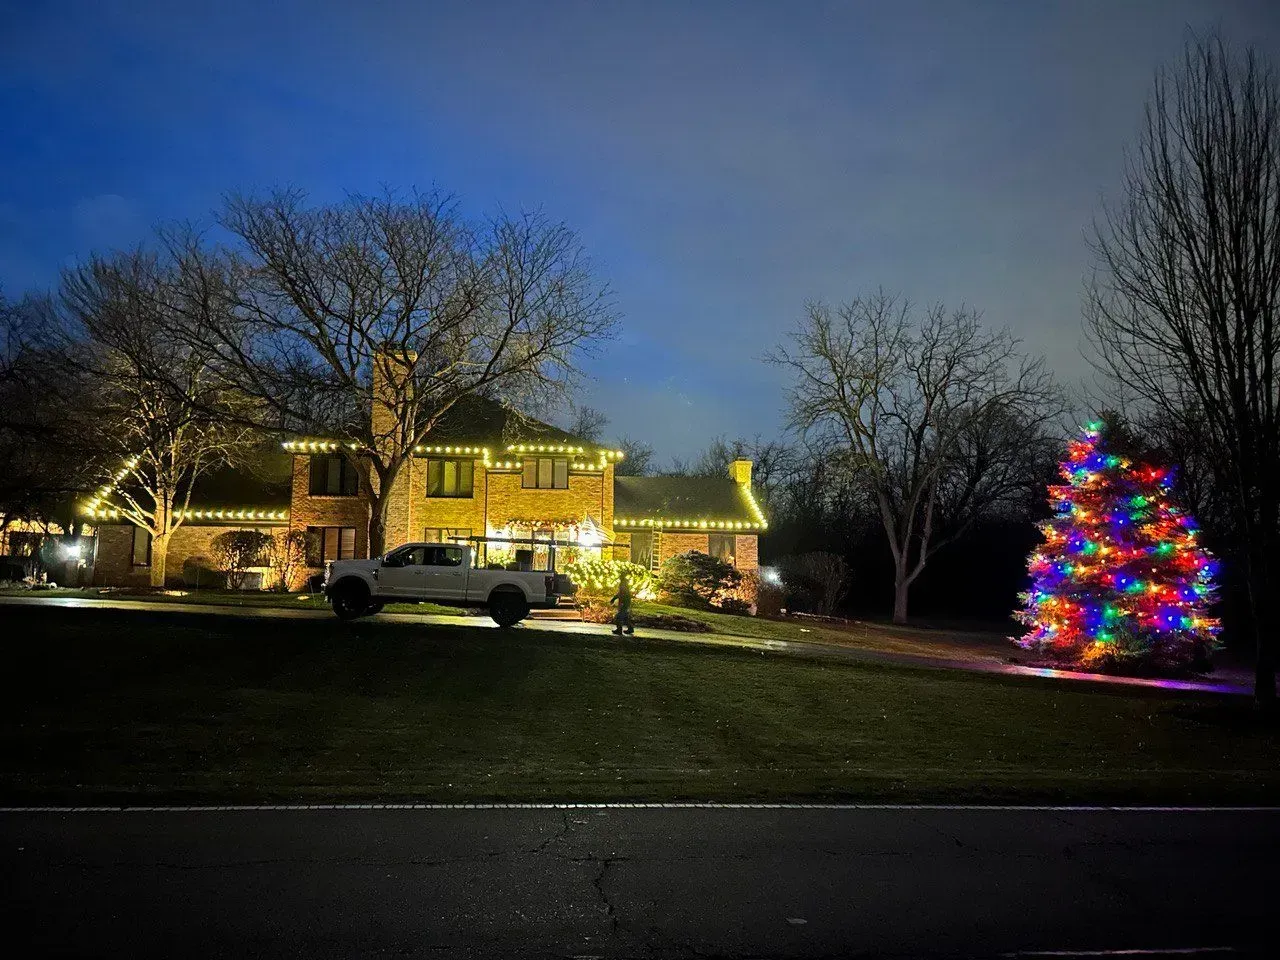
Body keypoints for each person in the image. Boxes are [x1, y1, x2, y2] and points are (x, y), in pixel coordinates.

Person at [610, 571, 635, 636]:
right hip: (625, 602)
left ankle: (619, 630)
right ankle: (630, 628)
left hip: (624, 603)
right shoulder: (624, 583)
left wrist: (615, 598)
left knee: (618, 617)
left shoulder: (623, 584)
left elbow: (622, 593)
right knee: (625, 617)